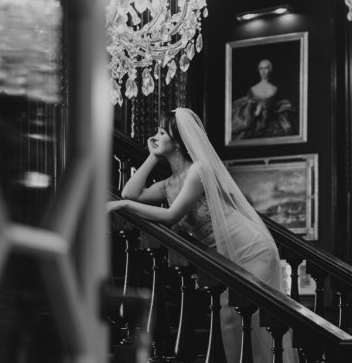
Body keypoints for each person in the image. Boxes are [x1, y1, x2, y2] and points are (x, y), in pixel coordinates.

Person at [106, 108, 295, 363]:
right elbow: (129, 193)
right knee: (228, 319)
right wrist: (151, 157)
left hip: (251, 248)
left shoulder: (199, 170)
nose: (155, 137)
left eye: (162, 133)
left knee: (252, 320)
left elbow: (170, 215)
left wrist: (125, 207)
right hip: (225, 257)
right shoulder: (169, 184)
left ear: (178, 141)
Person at [231, 59, 296, 140]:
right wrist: (255, 112)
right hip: (254, 123)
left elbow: (279, 106)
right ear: (258, 70)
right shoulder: (253, 89)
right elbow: (246, 110)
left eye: (266, 68)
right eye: (261, 69)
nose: (263, 72)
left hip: (272, 123)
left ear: (270, 70)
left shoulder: (275, 88)